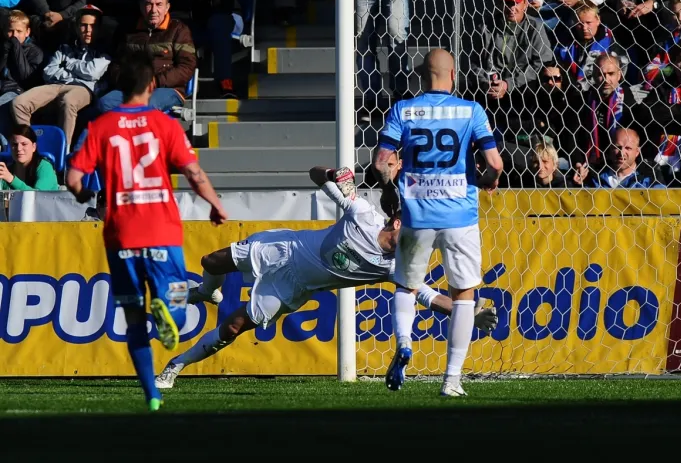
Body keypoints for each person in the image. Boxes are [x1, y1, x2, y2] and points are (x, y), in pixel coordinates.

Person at [154, 166, 500, 389]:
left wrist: (463, 310)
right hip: (284, 248)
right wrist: (333, 173)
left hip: (292, 286)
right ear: (397, 223)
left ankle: (174, 366)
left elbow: (427, 296)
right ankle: (205, 291)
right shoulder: (362, 213)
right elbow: (316, 176)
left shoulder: (396, 266)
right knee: (210, 260)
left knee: (232, 327)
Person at [65, 51, 229, 412]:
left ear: (120, 88)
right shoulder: (165, 124)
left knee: (134, 319)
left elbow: (74, 177)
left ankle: (152, 395)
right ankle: (168, 312)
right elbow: (193, 173)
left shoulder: (101, 126)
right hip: (161, 230)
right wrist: (215, 204)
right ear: (152, 85)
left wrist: (83, 194)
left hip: (120, 234)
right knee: (179, 311)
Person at [373, 48, 503, 397]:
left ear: (421, 77)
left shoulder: (403, 110)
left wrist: (389, 188)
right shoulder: (471, 110)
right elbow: (495, 163)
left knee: (405, 285)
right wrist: (487, 178)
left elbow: (382, 161)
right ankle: (452, 380)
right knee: (463, 296)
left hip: (416, 215)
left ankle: (404, 344)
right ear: (453, 76)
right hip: (460, 215)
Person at [0, 124, 59, 191]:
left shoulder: (44, 167)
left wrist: (12, 179)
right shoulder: (8, 169)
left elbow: (39, 196)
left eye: (24, 144)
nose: (19, 148)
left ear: (34, 147)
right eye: (14, 144)